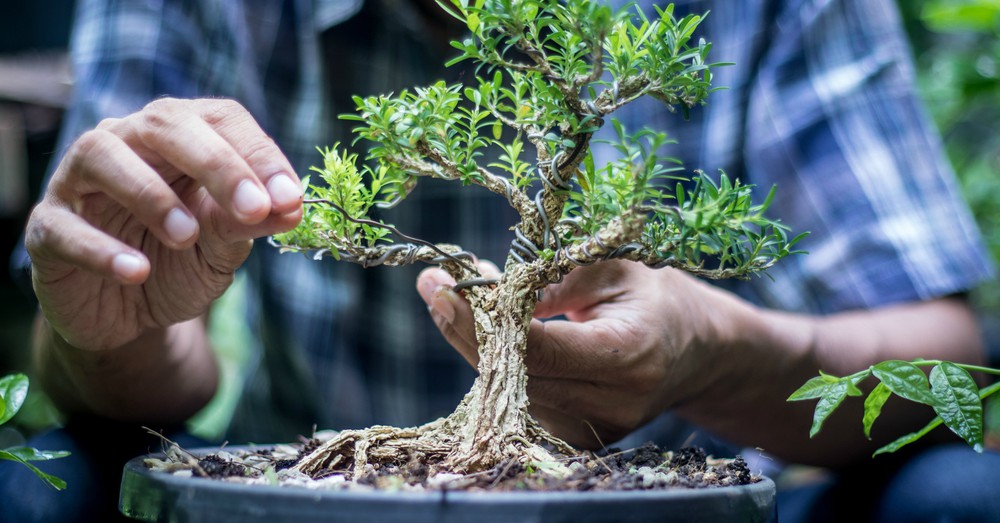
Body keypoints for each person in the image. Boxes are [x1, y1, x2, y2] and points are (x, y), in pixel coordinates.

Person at [3, 0, 998, 521]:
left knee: (962, 497)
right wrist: (111, 334)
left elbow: (944, 357)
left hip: (712, 493)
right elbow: (131, 369)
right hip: (308, 493)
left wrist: (725, 352)